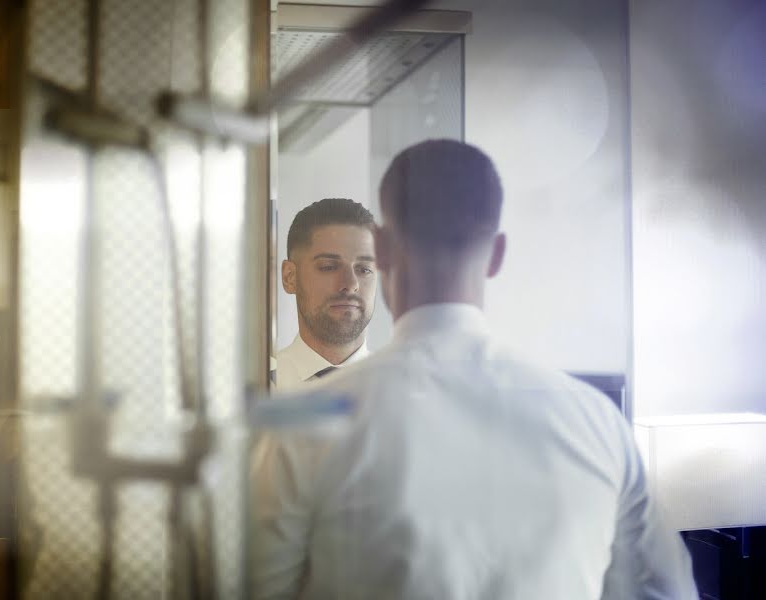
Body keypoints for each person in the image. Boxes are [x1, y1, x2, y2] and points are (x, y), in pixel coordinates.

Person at [251, 140, 697, 599]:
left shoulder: (303, 425)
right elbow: (664, 592)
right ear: (498, 253)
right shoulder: (598, 424)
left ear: (380, 251)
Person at [272, 198, 378, 391]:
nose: (351, 284)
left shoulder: (409, 391)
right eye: (329, 267)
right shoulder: (257, 390)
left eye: (364, 269)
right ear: (290, 277)